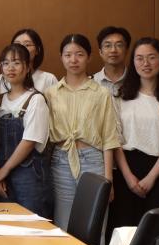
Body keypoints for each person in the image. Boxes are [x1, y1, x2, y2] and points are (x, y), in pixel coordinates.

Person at [109, 38, 159, 231]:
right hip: (126, 171)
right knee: (124, 234)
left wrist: (151, 177)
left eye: (151, 57)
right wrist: (129, 177)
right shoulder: (120, 95)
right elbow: (114, 137)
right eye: (139, 58)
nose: (145, 63)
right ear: (133, 62)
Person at [46, 34, 122, 230]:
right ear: (61, 57)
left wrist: (109, 179)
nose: (73, 60)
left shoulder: (101, 93)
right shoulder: (51, 93)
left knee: (94, 226)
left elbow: (109, 138)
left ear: (89, 57)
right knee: (63, 224)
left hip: (93, 161)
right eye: (68, 55)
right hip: (61, 160)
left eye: (79, 54)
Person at [0, 43, 51, 217]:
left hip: (29, 175)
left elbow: (29, 141)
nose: (10, 68)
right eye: (6, 63)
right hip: (1, 174)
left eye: (16, 62)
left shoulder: (36, 100)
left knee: (30, 224)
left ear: (28, 67)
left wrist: (3, 171)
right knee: (3, 224)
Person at [0, 28, 58, 95]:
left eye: (27, 45)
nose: (21, 48)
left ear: (37, 50)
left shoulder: (49, 79)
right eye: (17, 44)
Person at [93, 26, 132, 96]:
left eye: (119, 45)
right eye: (108, 46)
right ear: (100, 52)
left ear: (127, 51)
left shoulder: (136, 80)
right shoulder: (92, 82)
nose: (113, 50)